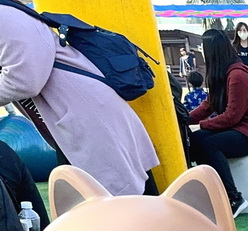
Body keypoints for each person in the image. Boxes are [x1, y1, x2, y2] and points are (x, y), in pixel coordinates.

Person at [0, 4, 160, 197]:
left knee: (120, 200)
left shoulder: (5, 15)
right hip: (75, 116)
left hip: (85, 114)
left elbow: (25, 80)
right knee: (104, 197)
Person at [188, 28, 248, 216]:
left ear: (211, 50)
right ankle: (211, 194)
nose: (201, 50)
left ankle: (233, 197)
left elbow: (231, 116)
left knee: (209, 143)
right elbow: (208, 105)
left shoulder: (237, 76)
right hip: (240, 129)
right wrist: (186, 119)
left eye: (203, 47)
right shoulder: (223, 74)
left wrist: (200, 124)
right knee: (197, 139)